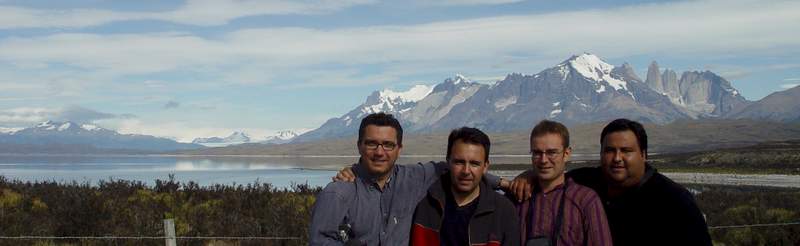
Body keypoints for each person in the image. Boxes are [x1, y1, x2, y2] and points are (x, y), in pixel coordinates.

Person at [509, 118, 712, 246]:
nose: (616, 158)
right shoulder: (587, 181)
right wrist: (530, 175)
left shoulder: (674, 200)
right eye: (609, 150)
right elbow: (554, 174)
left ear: (643, 154)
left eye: (626, 151)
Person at [309, 113, 503, 245]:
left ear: (399, 149)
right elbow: (319, 241)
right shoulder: (338, 193)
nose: (379, 152)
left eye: (388, 145)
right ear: (359, 146)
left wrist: (504, 183)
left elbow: (458, 168)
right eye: (371, 144)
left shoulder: (415, 178)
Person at [409, 127, 519, 246]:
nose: (466, 171)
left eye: (474, 164)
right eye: (459, 162)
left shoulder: (503, 211)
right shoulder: (428, 206)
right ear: (448, 162)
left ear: (485, 166)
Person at [516, 120, 612, 245]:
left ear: (566, 154)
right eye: (537, 153)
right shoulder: (519, 197)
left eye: (552, 153)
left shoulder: (585, 200)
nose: (544, 160)